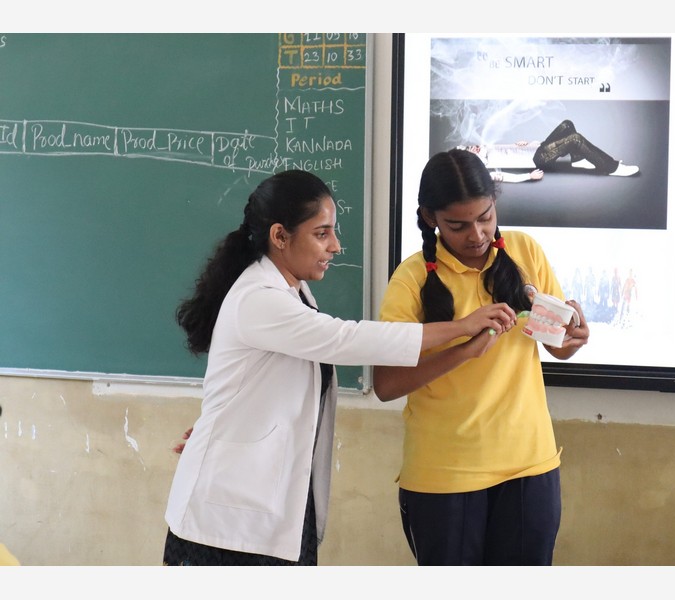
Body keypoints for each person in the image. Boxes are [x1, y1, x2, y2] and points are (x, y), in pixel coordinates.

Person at [162, 169, 516, 566]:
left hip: (265, 508)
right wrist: (462, 327)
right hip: (226, 523)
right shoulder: (259, 297)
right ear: (280, 236)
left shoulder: (293, 292)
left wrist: (225, 423)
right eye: (321, 233)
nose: (335, 246)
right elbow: (345, 339)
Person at [373, 148, 591, 566]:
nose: (476, 234)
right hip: (445, 474)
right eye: (458, 225)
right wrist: (464, 346)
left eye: (485, 217)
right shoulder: (411, 278)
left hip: (530, 464)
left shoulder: (525, 251)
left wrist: (573, 337)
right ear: (430, 218)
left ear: (495, 203)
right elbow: (385, 384)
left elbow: (557, 346)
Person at [460, 118, 639, 182]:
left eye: (470, 145)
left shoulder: (488, 148)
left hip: (537, 148)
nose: (473, 146)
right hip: (538, 159)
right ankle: (611, 167)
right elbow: (505, 177)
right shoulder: (483, 167)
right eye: (470, 150)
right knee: (575, 138)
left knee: (567, 125)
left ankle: (579, 160)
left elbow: (514, 150)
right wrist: (528, 176)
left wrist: (524, 144)